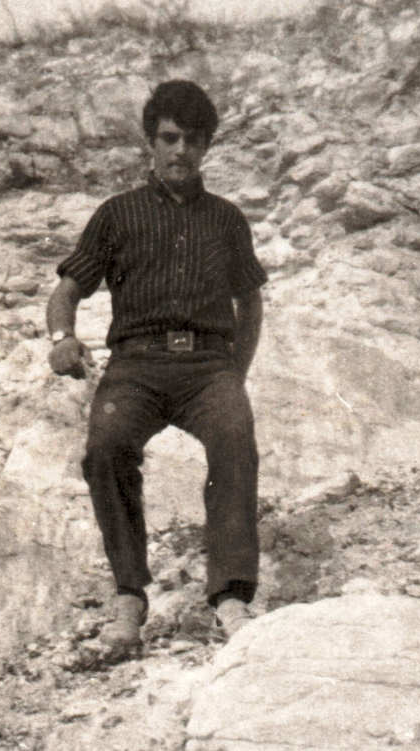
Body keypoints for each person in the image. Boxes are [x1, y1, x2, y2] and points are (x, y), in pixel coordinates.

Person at [45, 80, 267, 649]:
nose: (180, 151)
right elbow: (67, 291)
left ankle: (231, 597)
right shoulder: (116, 215)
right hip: (136, 366)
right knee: (105, 449)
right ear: (151, 141)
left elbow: (250, 302)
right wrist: (63, 338)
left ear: (207, 146)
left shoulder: (226, 219)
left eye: (193, 140)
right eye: (169, 138)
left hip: (208, 367)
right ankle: (129, 595)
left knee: (235, 439)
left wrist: (234, 377)